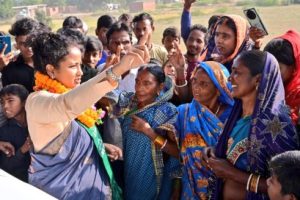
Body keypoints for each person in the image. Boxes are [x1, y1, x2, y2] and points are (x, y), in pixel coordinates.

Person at [25, 32, 149, 199]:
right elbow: (67, 104)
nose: (80, 73)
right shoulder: (36, 102)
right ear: (51, 70)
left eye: (80, 65)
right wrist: (119, 69)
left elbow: (67, 143)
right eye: (72, 66)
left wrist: (97, 146)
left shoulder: (74, 94)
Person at [202, 50, 299, 200]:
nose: (230, 78)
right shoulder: (236, 114)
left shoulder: (277, 125)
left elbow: (286, 186)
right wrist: (216, 152)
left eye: (237, 73)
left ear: (258, 80)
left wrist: (232, 173)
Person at [103, 64, 180, 199]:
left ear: (160, 87)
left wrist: (149, 131)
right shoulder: (129, 101)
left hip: (152, 175)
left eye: (147, 83)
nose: (139, 88)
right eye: (137, 81)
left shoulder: (168, 111)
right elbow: (102, 95)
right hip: (129, 170)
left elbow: (177, 152)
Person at [175, 61, 234, 199]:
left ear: (218, 88)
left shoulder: (234, 115)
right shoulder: (184, 112)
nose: (195, 87)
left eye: (204, 84)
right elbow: (176, 150)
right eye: (194, 81)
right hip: (191, 188)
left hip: (224, 186)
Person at [2, 18, 49, 92]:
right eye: (23, 44)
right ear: (16, 42)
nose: (29, 48)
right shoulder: (9, 69)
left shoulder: (51, 63)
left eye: (32, 42)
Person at [264, 30, 300, 125]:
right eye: (268, 67)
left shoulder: (297, 94)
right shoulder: (265, 85)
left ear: (294, 67)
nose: (271, 73)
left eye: (278, 68)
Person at [0, 84, 31, 182]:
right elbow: (6, 166)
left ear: (24, 102)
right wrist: (22, 150)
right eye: (2, 102)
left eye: (10, 101)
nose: (5, 106)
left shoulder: (36, 122)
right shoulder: (4, 131)